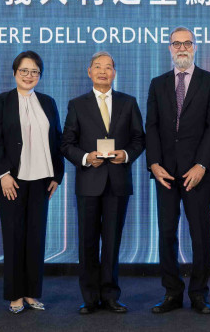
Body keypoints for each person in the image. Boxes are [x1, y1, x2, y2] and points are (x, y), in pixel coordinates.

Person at [145, 27, 210, 315]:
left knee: (199, 234)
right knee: (166, 233)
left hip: (198, 173)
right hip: (164, 173)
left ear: (195, 47)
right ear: (169, 48)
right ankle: (172, 293)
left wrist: (201, 164)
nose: (181, 48)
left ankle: (200, 294)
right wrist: (153, 164)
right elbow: (150, 126)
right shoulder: (157, 83)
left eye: (186, 43)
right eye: (176, 43)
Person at [61, 52, 145, 314]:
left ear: (114, 73)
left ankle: (110, 295)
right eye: (98, 67)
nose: (103, 71)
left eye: (108, 67)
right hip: (89, 181)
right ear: (89, 72)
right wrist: (86, 158)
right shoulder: (77, 104)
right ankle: (89, 297)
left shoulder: (128, 103)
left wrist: (126, 155)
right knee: (87, 242)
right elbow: (66, 144)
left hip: (117, 182)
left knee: (111, 242)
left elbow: (139, 139)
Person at [0, 51, 64, 313]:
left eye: (34, 72)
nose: (29, 76)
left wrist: (57, 176)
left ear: (40, 75)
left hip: (42, 180)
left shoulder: (48, 102)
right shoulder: (2, 101)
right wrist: (3, 174)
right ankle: (15, 295)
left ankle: (31, 293)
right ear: (14, 72)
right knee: (14, 236)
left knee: (36, 237)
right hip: (12, 181)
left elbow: (57, 139)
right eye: (24, 71)